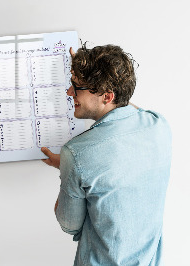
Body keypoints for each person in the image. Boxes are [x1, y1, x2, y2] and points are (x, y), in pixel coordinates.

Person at [41, 44, 171, 265]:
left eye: (77, 86)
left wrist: (68, 168)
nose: (69, 92)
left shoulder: (76, 153)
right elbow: (124, 105)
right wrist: (88, 73)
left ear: (107, 96)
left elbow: (69, 225)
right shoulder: (159, 125)